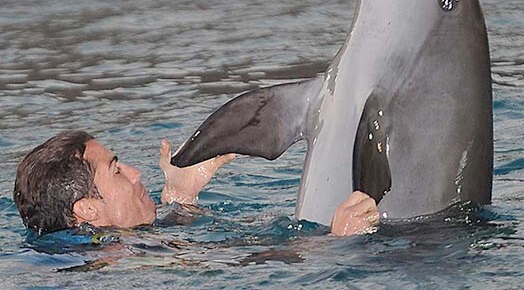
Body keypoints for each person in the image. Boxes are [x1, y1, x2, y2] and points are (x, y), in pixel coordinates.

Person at [13, 130, 379, 236]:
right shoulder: (125, 264)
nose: (137, 173)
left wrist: (181, 199)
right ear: (87, 210)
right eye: (117, 170)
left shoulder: (132, 246)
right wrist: (336, 243)